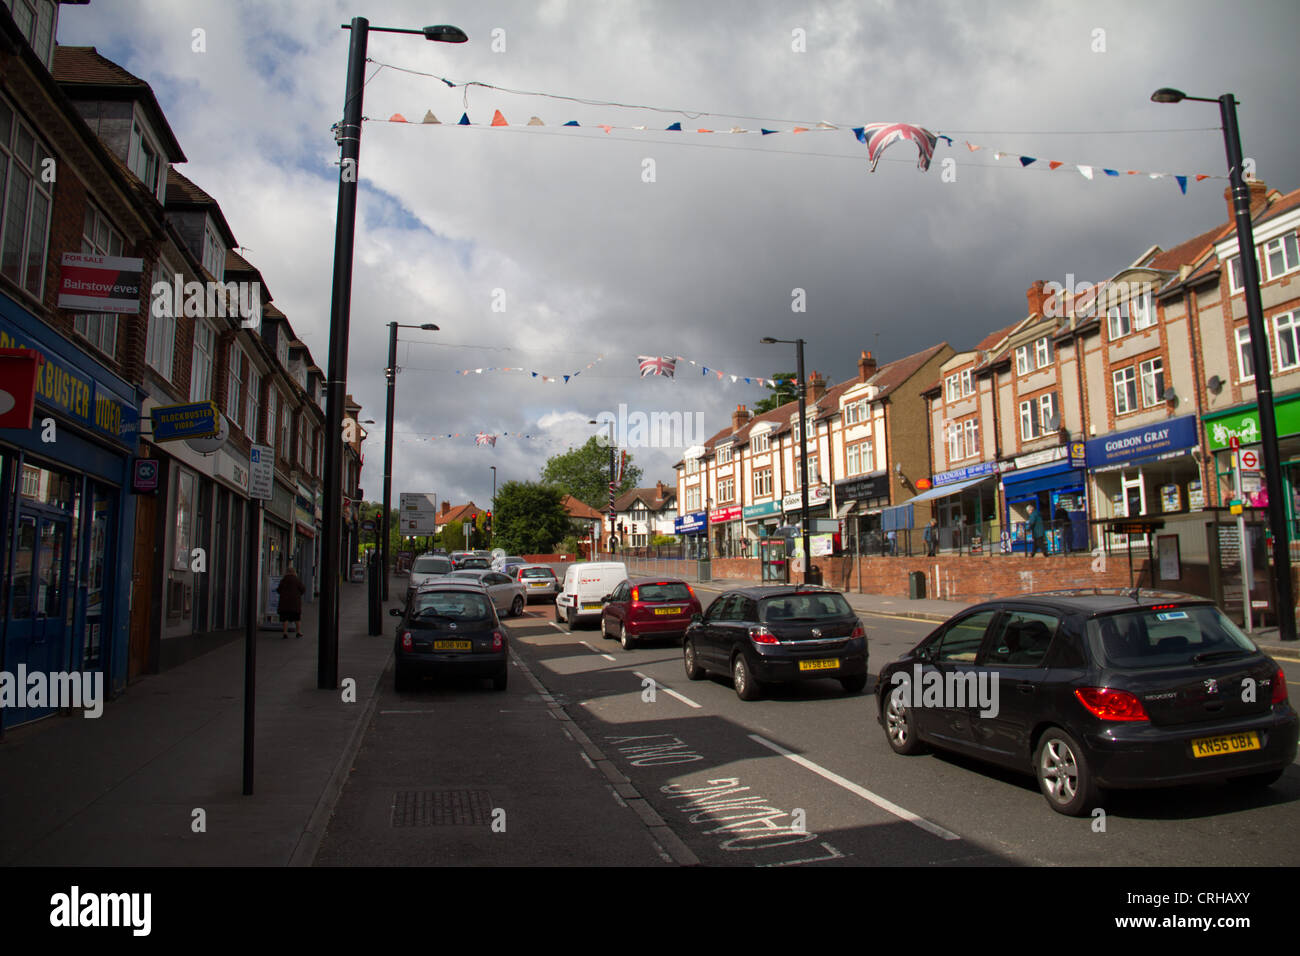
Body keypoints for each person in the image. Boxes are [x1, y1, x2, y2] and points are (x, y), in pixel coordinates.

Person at [277, 567, 306, 638]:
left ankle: (285, 633)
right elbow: (303, 589)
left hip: (285, 603)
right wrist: (298, 595)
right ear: (294, 572)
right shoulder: (297, 580)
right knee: (297, 618)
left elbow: (279, 590)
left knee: (285, 618)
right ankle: (298, 632)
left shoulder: (283, 580)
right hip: (295, 603)